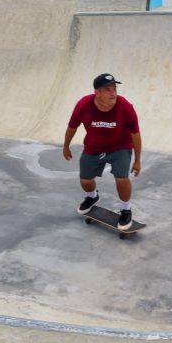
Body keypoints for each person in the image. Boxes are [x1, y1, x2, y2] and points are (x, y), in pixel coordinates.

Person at [63, 73, 141, 231]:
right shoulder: (83, 105)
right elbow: (72, 126)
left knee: (121, 179)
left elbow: (136, 134)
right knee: (85, 181)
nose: (113, 93)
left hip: (120, 147)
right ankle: (92, 197)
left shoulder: (125, 107)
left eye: (114, 89)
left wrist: (137, 160)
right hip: (94, 147)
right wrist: (66, 146)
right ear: (96, 93)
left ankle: (126, 209)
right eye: (108, 90)